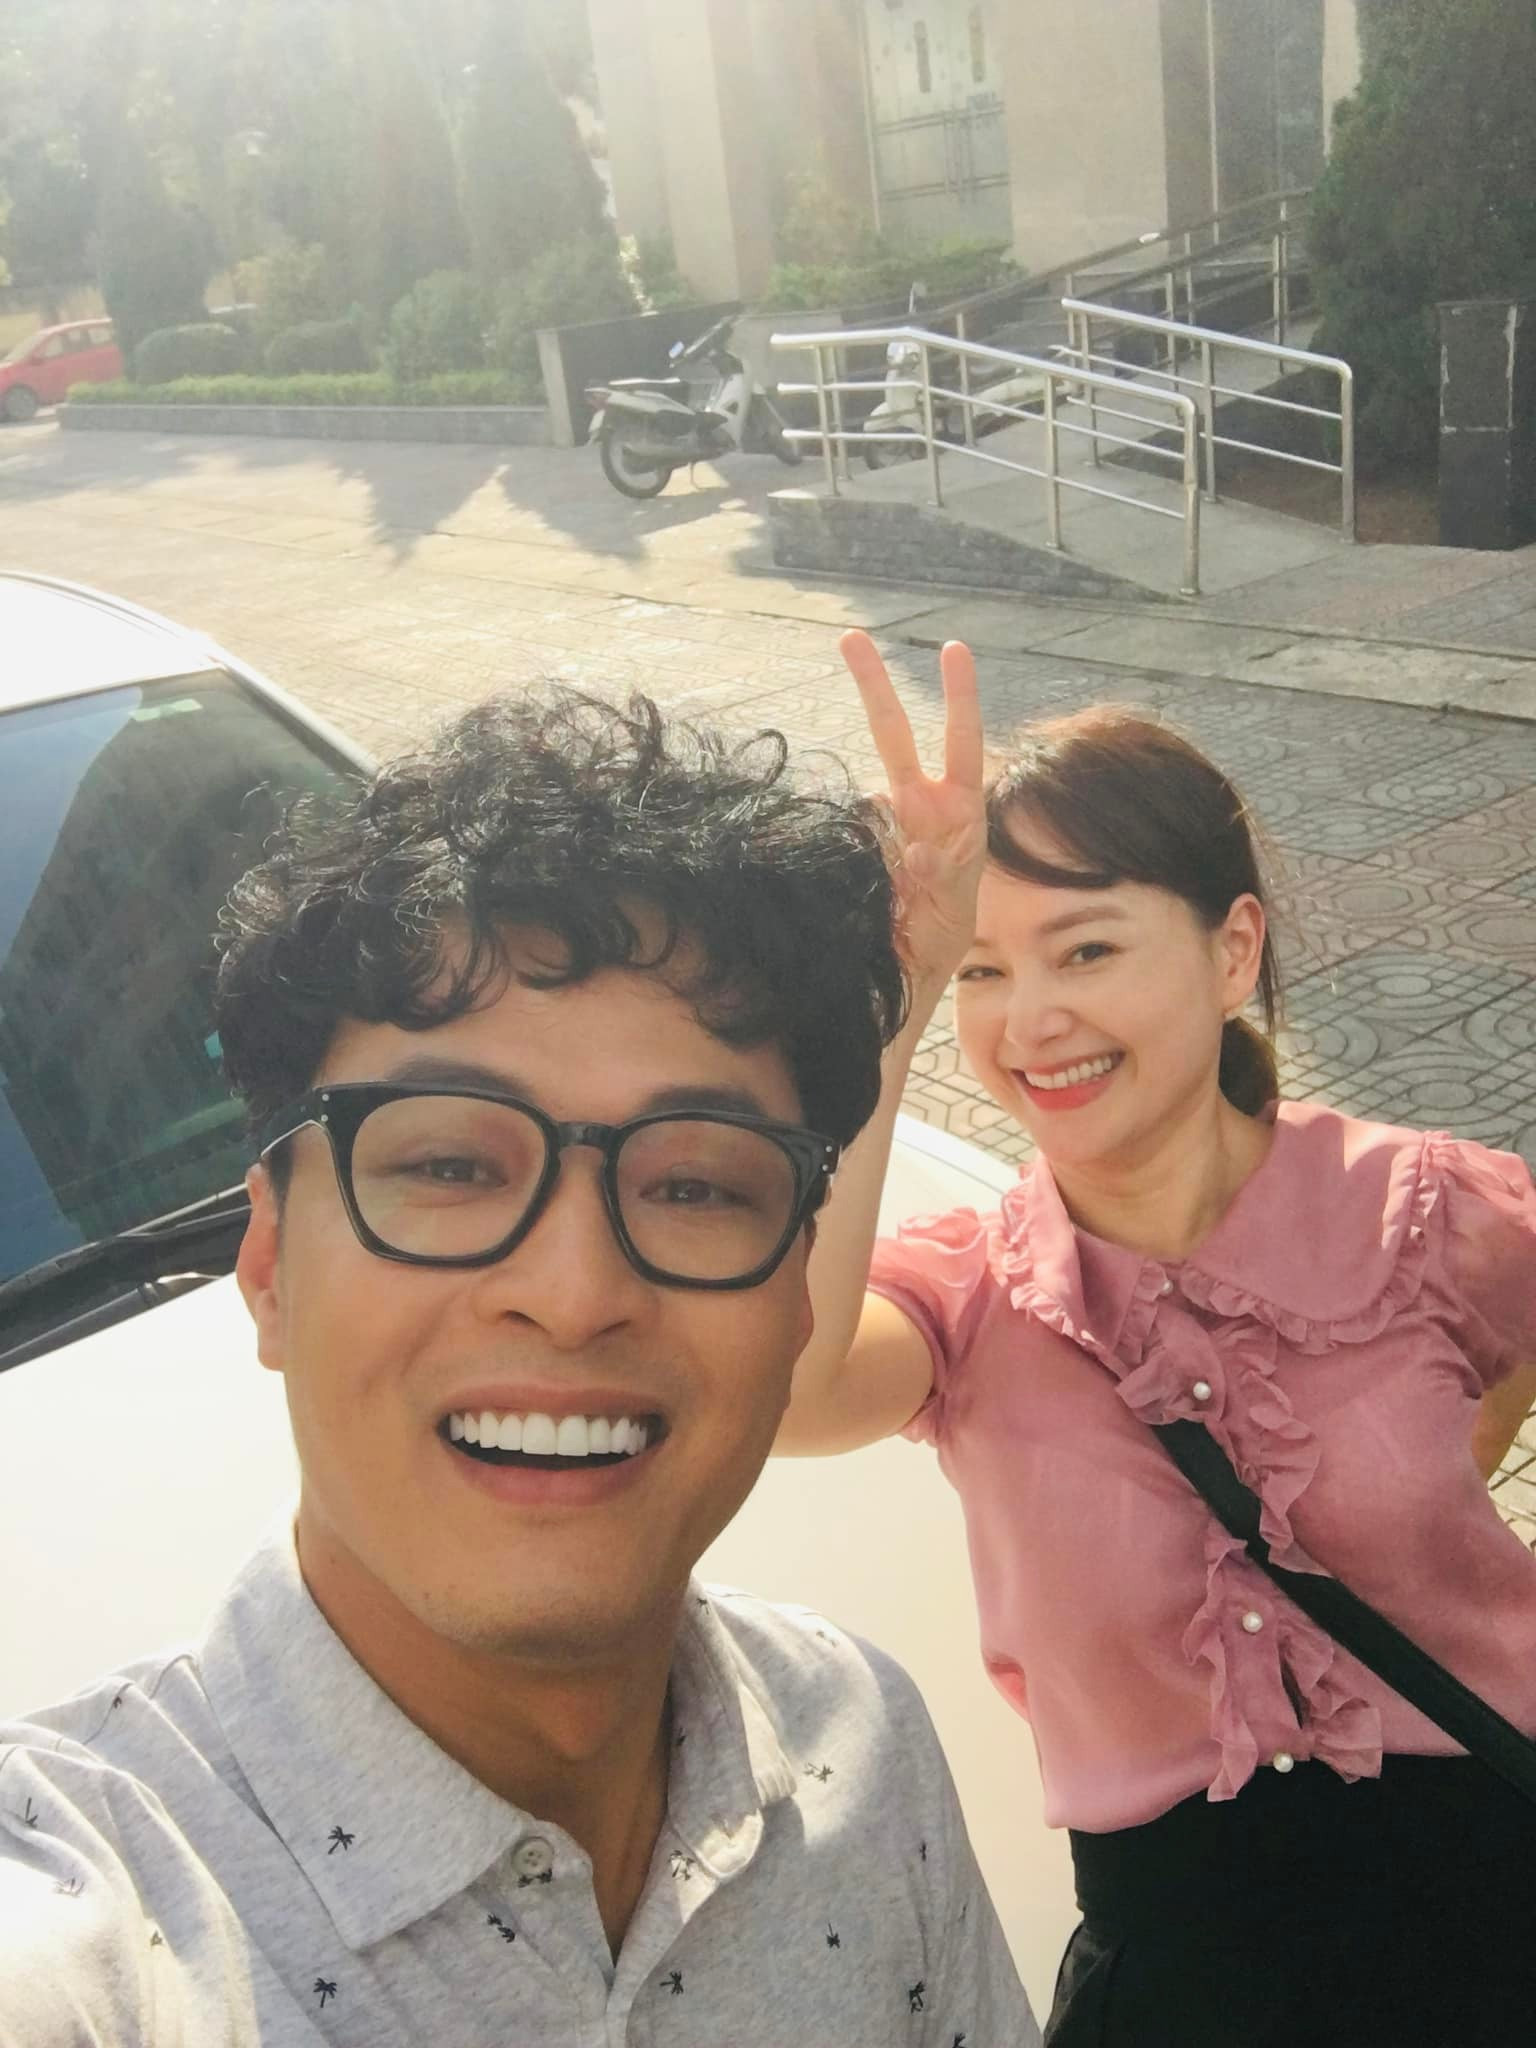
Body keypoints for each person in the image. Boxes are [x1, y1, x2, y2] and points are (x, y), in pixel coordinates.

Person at [0, 688, 1038, 2048]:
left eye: (696, 1185)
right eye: (447, 1165)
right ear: (269, 1266)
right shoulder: (85, 1932)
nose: (574, 1295)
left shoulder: (865, 1748)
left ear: (799, 1294)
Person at [780, 631, 1536, 2047]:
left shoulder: (1429, 1210)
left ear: (1231, 950)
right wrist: (895, 994)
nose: (1032, 1020)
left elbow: (1495, 1388)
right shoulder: (972, 1297)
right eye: (985, 973)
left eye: (1088, 949)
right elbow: (788, 1391)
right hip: (1191, 1990)